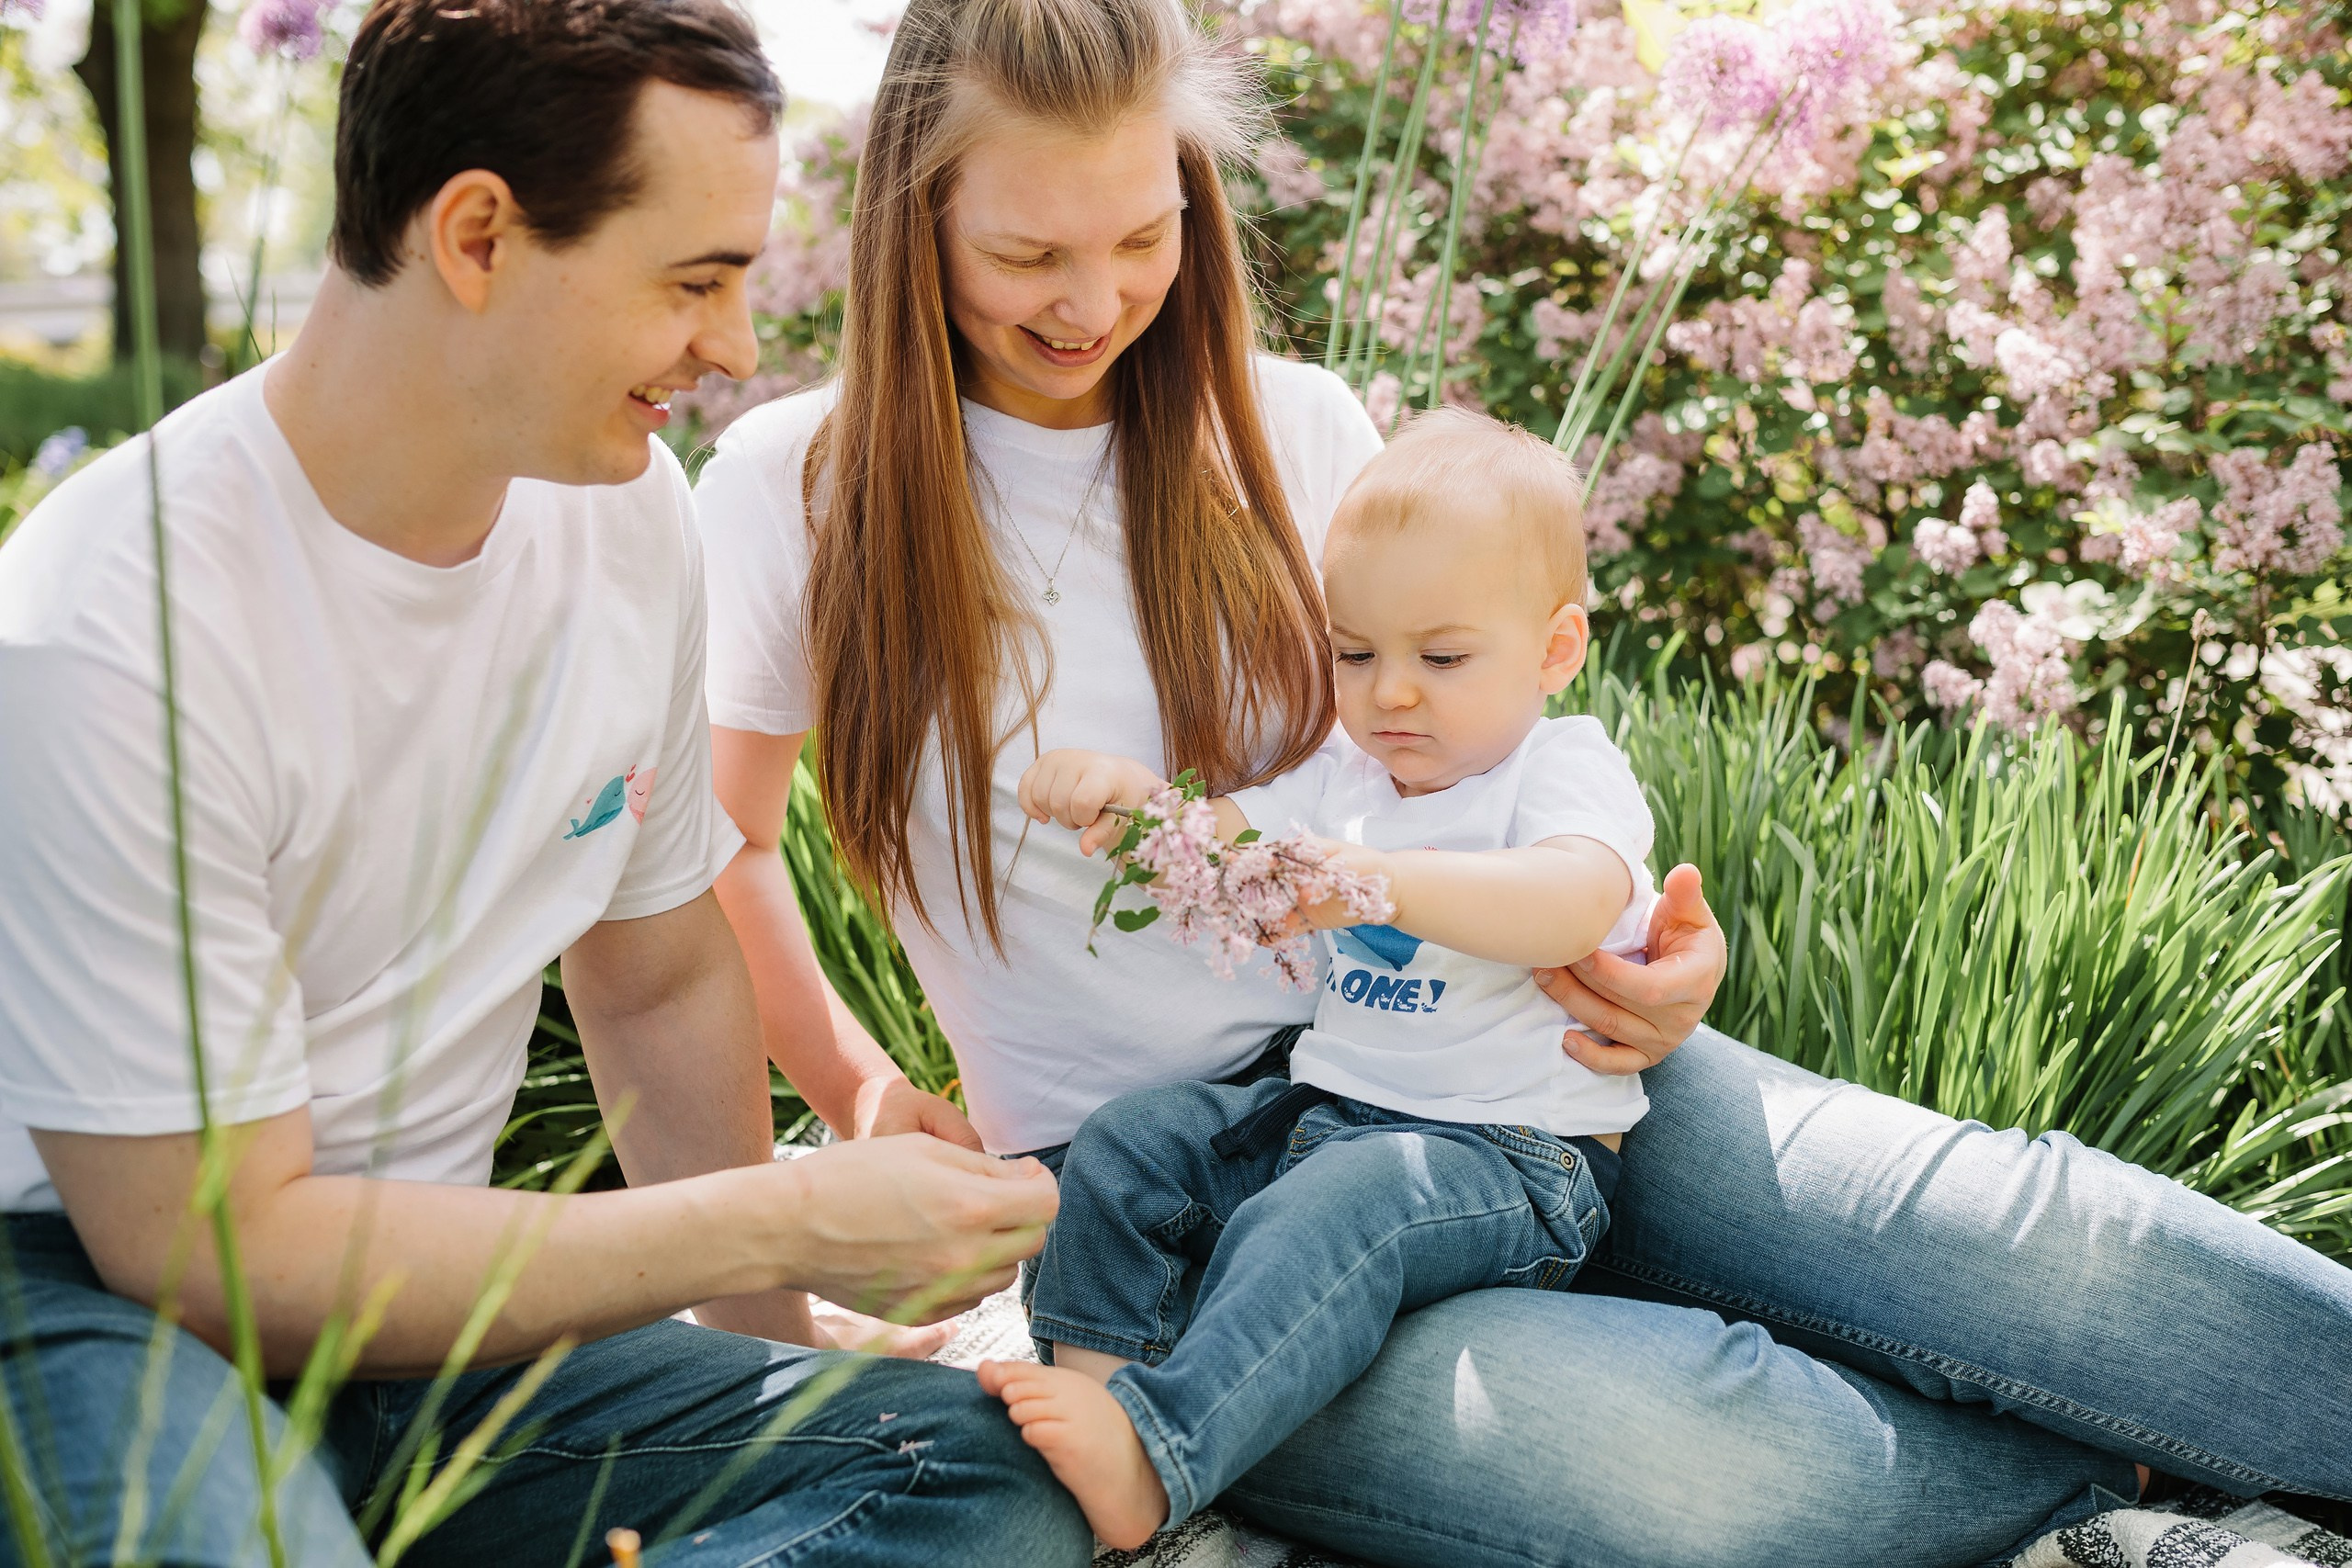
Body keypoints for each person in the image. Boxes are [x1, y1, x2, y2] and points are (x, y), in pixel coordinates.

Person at [695, 0, 2352, 1563]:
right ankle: (2102, 1469)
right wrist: (850, 1087)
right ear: (915, 227)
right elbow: (727, 845)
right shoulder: (801, 485)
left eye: (1142, 237)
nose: (1092, 298)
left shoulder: (1292, 429)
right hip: (1174, 1201)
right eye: (1026, 253)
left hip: (1506, 1050)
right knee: (1724, 1462)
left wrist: (1649, 951)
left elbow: (1477, 746)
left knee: (2032, 1236)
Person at [0, 4, 1090, 1565]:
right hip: (101, 1307)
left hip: (452, 1315)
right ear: (478, 234)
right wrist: (781, 1211)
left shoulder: (623, 512)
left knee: (981, 1465)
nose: (731, 346)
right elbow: (212, 1256)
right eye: (694, 279)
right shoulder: (111, 626)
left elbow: (651, 974)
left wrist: (770, 1344)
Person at [989, 410, 1662, 1547]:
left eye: (1441, 659)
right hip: (1332, 1115)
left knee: (1334, 1209)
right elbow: (1219, 850)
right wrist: (1132, 800)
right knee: (1131, 1144)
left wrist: (1378, 883)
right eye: (1355, 654)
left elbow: (1573, 902)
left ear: (1554, 649)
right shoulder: (1345, 775)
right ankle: (1101, 1398)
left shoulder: (1558, 769)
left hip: (1507, 1153)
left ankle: (1165, 1455)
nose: (1390, 694)